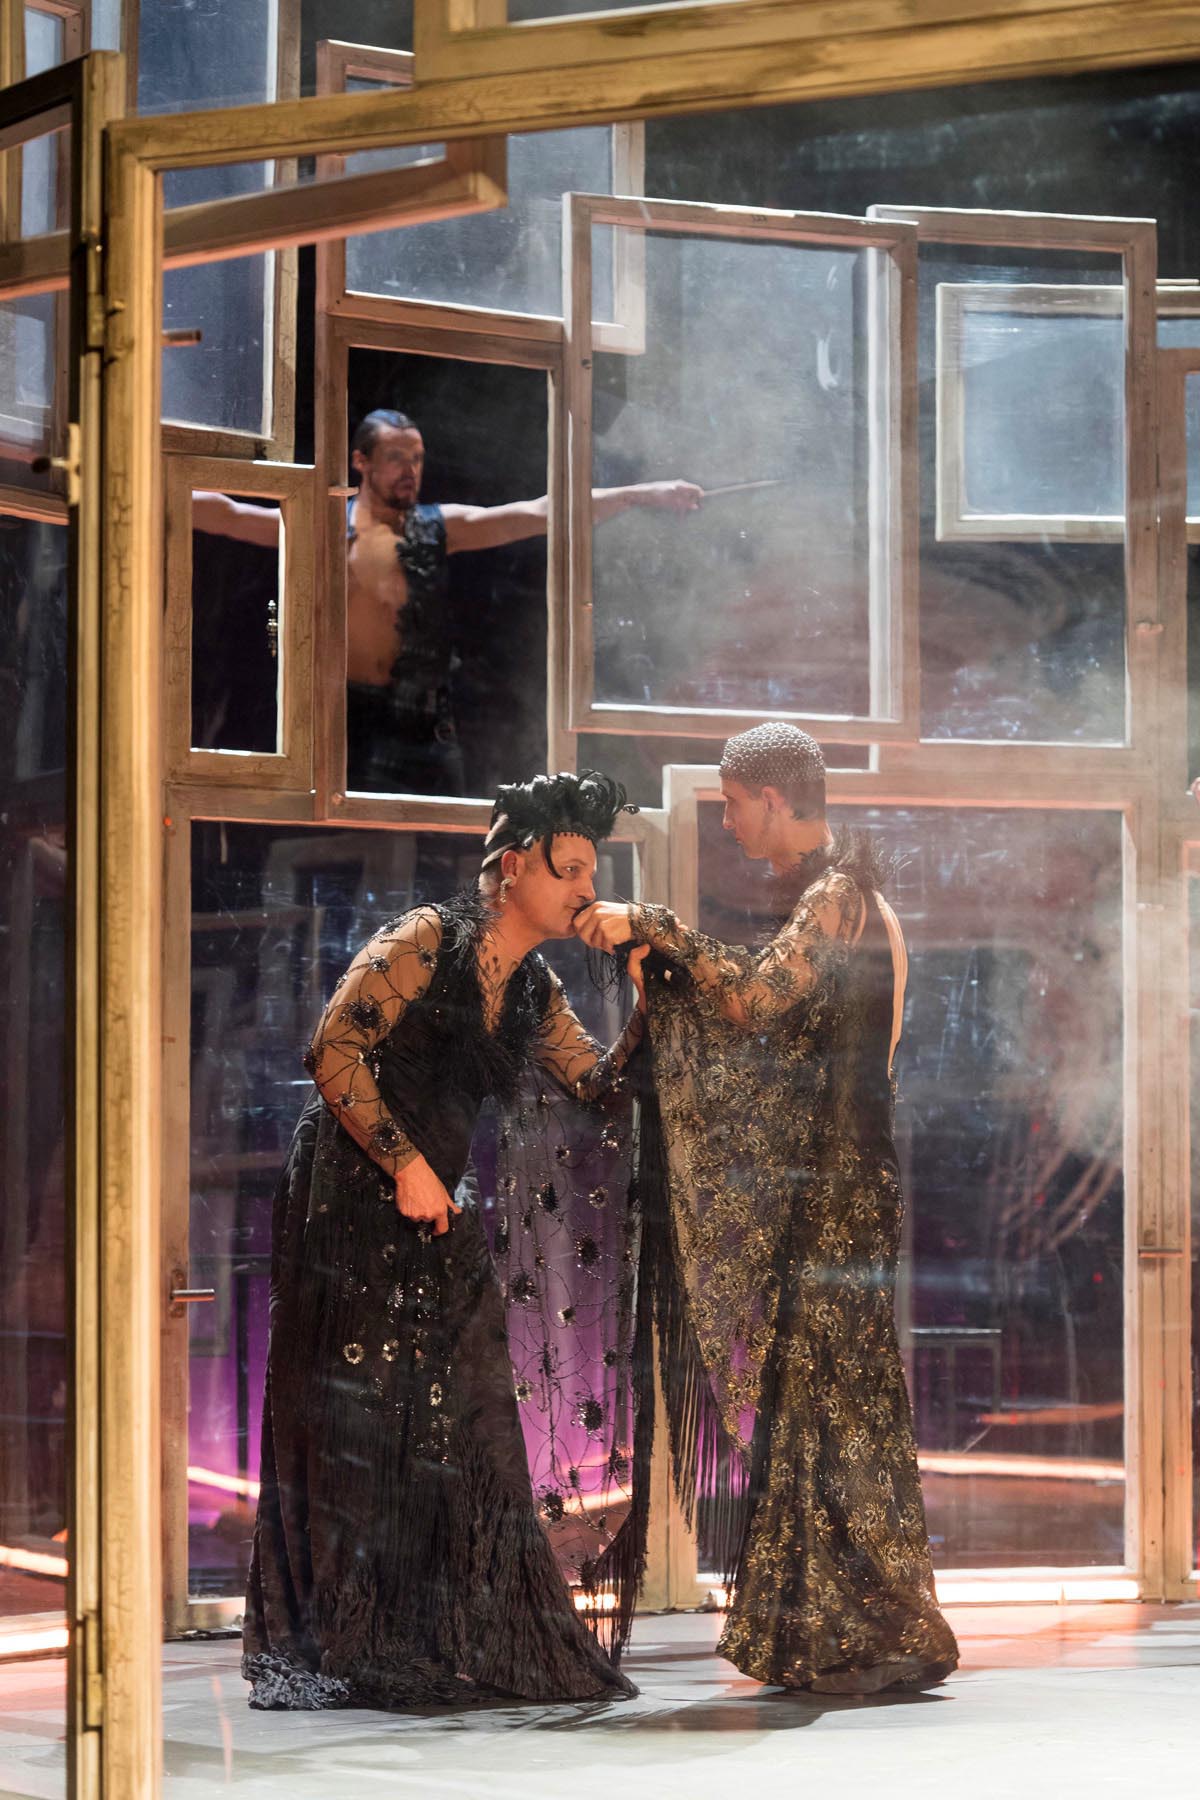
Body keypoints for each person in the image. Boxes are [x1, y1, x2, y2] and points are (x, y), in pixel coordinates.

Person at [242, 769, 650, 1711]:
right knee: (360, 1421)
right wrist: (405, 1165)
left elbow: (601, 1087)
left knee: (469, 1415)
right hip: (351, 1195)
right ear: (514, 868)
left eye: (592, 871)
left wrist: (646, 993)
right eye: (571, 869)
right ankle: (354, 1640)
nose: (587, 888)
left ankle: (457, 1634)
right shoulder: (424, 939)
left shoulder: (535, 987)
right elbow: (331, 1050)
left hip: (436, 1207)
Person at [575, 722, 959, 1696]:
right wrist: (669, 983)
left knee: (833, 1410)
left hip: (841, 1194)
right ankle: (849, 1628)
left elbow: (752, 1001)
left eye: (734, 803)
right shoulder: (848, 898)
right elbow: (787, 1035)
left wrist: (656, 927)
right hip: (844, 1185)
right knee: (829, 1410)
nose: (729, 821)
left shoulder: (838, 896)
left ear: (775, 800)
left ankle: (869, 1629)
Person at [195, 409, 702, 794]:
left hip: (419, 718)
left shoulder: (438, 527)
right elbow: (229, 515)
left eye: (416, 458)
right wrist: (160, 477)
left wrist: (642, 493)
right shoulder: (325, 526)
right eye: (396, 457)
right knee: (332, 836)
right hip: (340, 714)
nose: (410, 469)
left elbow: (540, 512)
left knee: (431, 843)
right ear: (361, 461)